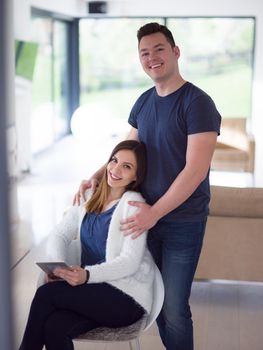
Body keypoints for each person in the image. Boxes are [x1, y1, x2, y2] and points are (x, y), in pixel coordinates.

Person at [73, 23, 221, 350]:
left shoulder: (198, 103)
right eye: (144, 53)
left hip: (182, 222)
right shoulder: (143, 102)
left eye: (158, 49)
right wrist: (97, 175)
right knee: (153, 298)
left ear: (175, 52)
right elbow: (128, 150)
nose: (151, 58)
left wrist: (155, 213)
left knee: (174, 308)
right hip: (143, 219)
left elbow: (195, 171)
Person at [19, 140, 156, 350]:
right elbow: (60, 233)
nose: (116, 169)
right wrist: (58, 268)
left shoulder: (134, 205)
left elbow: (129, 262)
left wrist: (87, 275)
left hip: (125, 298)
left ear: (136, 176)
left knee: (47, 294)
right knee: (54, 327)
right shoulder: (91, 195)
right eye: (114, 160)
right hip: (91, 293)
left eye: (126, 167)